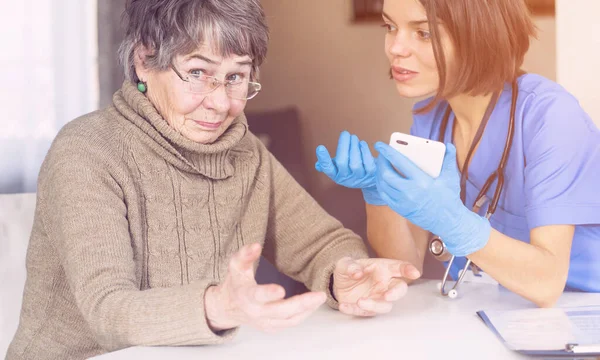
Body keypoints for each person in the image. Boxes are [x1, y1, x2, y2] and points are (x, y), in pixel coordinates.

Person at [7, 1, 421, 359]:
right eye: (199, 72)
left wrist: (343, 275)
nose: (221, 102)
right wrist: (217, 306)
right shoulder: (87, 151)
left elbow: (321, 243)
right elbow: (108, 311)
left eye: (236, 77)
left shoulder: (245, 153)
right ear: (143, 61)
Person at [316, 0, 600, 307]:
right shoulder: (431, 119)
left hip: (582, 315)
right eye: (390, 27)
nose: (395, 48)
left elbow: (547, 283)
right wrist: (377, 195)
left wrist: (454, 223)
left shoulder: (550, 117)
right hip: (490, 310)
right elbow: (405, 264)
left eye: (423, 33)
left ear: (480, 36)